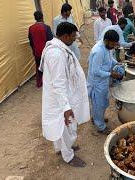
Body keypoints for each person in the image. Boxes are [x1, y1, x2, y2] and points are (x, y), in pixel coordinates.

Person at [39, 22, 90, 167]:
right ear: (65, 36)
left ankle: (62, 148)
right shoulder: (55, 53)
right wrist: (66, 106)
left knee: (64, 127)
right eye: (73, 36)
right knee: (66, 127)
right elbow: (58, 83)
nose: (75, 39)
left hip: (64, 95)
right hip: (60, 99)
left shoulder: (60, 48)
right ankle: (68, 156)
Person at [87, 30, 123, 135]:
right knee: (99, 104)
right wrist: (111, 74)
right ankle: (100, 126)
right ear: (106, 40)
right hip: (97, 82)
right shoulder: (98, 51)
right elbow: (95, 71)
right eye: (112, 44)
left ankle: (96, 118)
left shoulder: (107, 47)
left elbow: (109, 59)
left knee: (101, 102)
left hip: (102, 81)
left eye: (115, 44)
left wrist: (117, 63)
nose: (113, 46)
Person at [28, 11, 53, 88]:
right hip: (46, 52)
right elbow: (50, 40)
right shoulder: (46, 27)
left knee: (38, 67)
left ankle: (39, 83)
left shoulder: (31, 28)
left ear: (35, 18)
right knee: (48, 67)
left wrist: (33, 50)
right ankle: (48, 83)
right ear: (42, 17)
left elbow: (30, 40)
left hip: (37, 52)